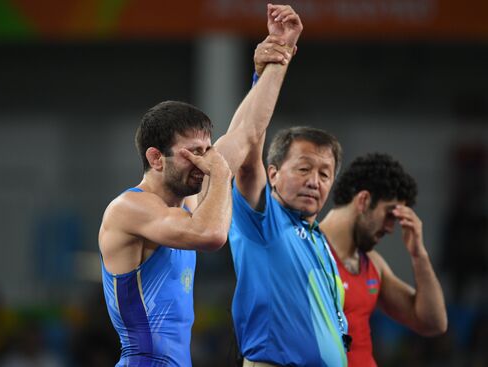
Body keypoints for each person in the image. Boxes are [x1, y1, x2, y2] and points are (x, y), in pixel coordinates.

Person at [98, 4, 300, 365]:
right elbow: (211, 235)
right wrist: (222, 172)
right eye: (194, 152)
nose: (206, 160)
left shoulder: (188, 205)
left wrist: (275, 61)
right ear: (157, 158)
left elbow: (247, 133)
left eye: (208, 150)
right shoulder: (128, 209)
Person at [230, 22, 349, 366]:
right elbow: (248, 146)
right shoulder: (263, 217)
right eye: (303, 168)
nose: (315, 180)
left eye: (325, 173)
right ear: (273, 174)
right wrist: (269, 71)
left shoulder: (320, 241)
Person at [319, 153, 448, 367]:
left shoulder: (372, 264)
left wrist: (419, 255)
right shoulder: (307, 252)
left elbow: (433, 323)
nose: (390, 228)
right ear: (364, 200)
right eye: (389, 215)